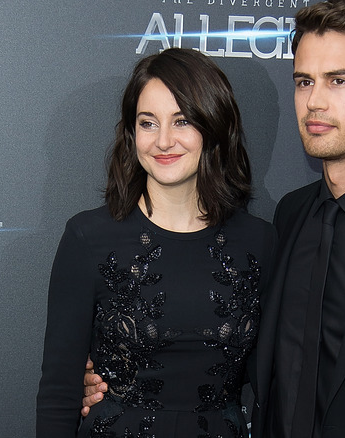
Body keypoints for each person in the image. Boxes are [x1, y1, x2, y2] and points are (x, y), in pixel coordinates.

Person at [84, 0, 345, 436]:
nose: (315, 102)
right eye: (304, 81)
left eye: (339, 81)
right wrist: (119, 375)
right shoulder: (288, 218)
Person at [36, 47, 276, 437]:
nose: (164, 141)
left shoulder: (259, 242)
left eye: (182, 121)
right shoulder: (88, 238)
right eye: (148, 123)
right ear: (132, 133)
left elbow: (276, 379)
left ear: (213, 126)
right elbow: (58, 395)